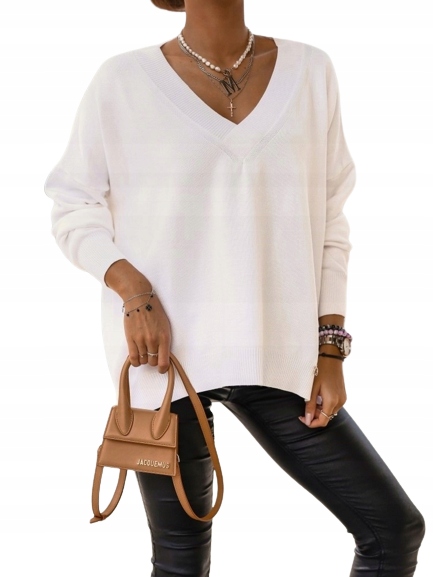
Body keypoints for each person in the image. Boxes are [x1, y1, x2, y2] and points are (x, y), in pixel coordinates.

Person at [44, 0, 425, 574]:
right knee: (181, 561)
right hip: (163, 361)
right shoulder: (122, 81)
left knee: (393, 529)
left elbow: (332, 221)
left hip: (278, 353)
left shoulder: (311, 71)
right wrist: (133, 290)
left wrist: (330, 350)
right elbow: (72, 205)